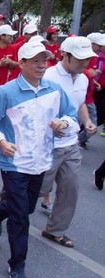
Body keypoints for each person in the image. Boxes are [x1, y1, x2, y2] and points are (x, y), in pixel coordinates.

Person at [0, 40, 78, 278]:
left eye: (44, 60)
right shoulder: (6, 92)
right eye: (35, 61)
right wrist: (1, 142)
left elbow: (71, 116)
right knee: (20, 216)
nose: (41, 65)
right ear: (21, 63)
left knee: (26, 208)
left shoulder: (54, 90)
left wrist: (63, 125)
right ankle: (17, 264)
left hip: (42, 161)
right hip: (13, 163)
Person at [36, 37, 97, 245]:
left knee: (70, 188)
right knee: (37, 189)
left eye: (88, 59)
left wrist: (87, 121)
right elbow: (33, 107)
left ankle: (55, 230)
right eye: (80, 59)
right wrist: (52, 125)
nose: (84, 63)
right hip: (46, 145)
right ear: (65, 55)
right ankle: (3, 206)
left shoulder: (83, 79)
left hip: (70, 143)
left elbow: (79, 104)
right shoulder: (47, 75)